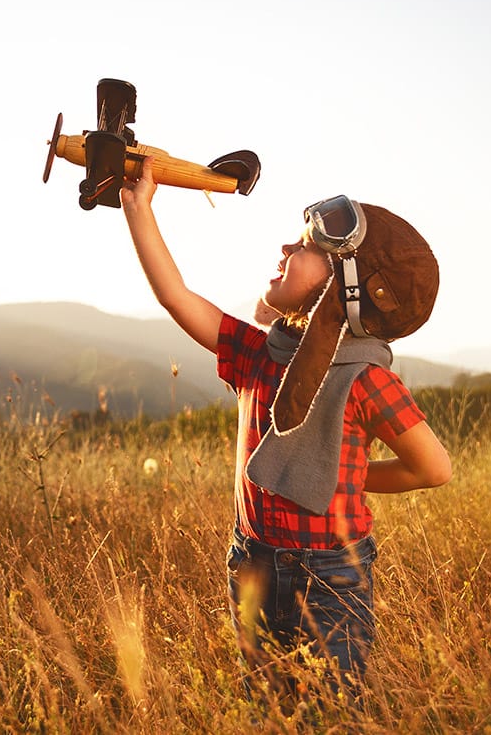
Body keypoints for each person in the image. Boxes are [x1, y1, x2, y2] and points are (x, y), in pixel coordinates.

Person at [121, 158, 452, 709]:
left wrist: (351, 479)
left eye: (304, 248)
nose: (284, 249)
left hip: (331, 578)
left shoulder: (365, 379)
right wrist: (139, 210)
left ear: (346, 286)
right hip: (251, 560)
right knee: (266, 708)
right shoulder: (261, 353)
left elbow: (434, 468)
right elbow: (177, 297)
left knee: (330, 713)